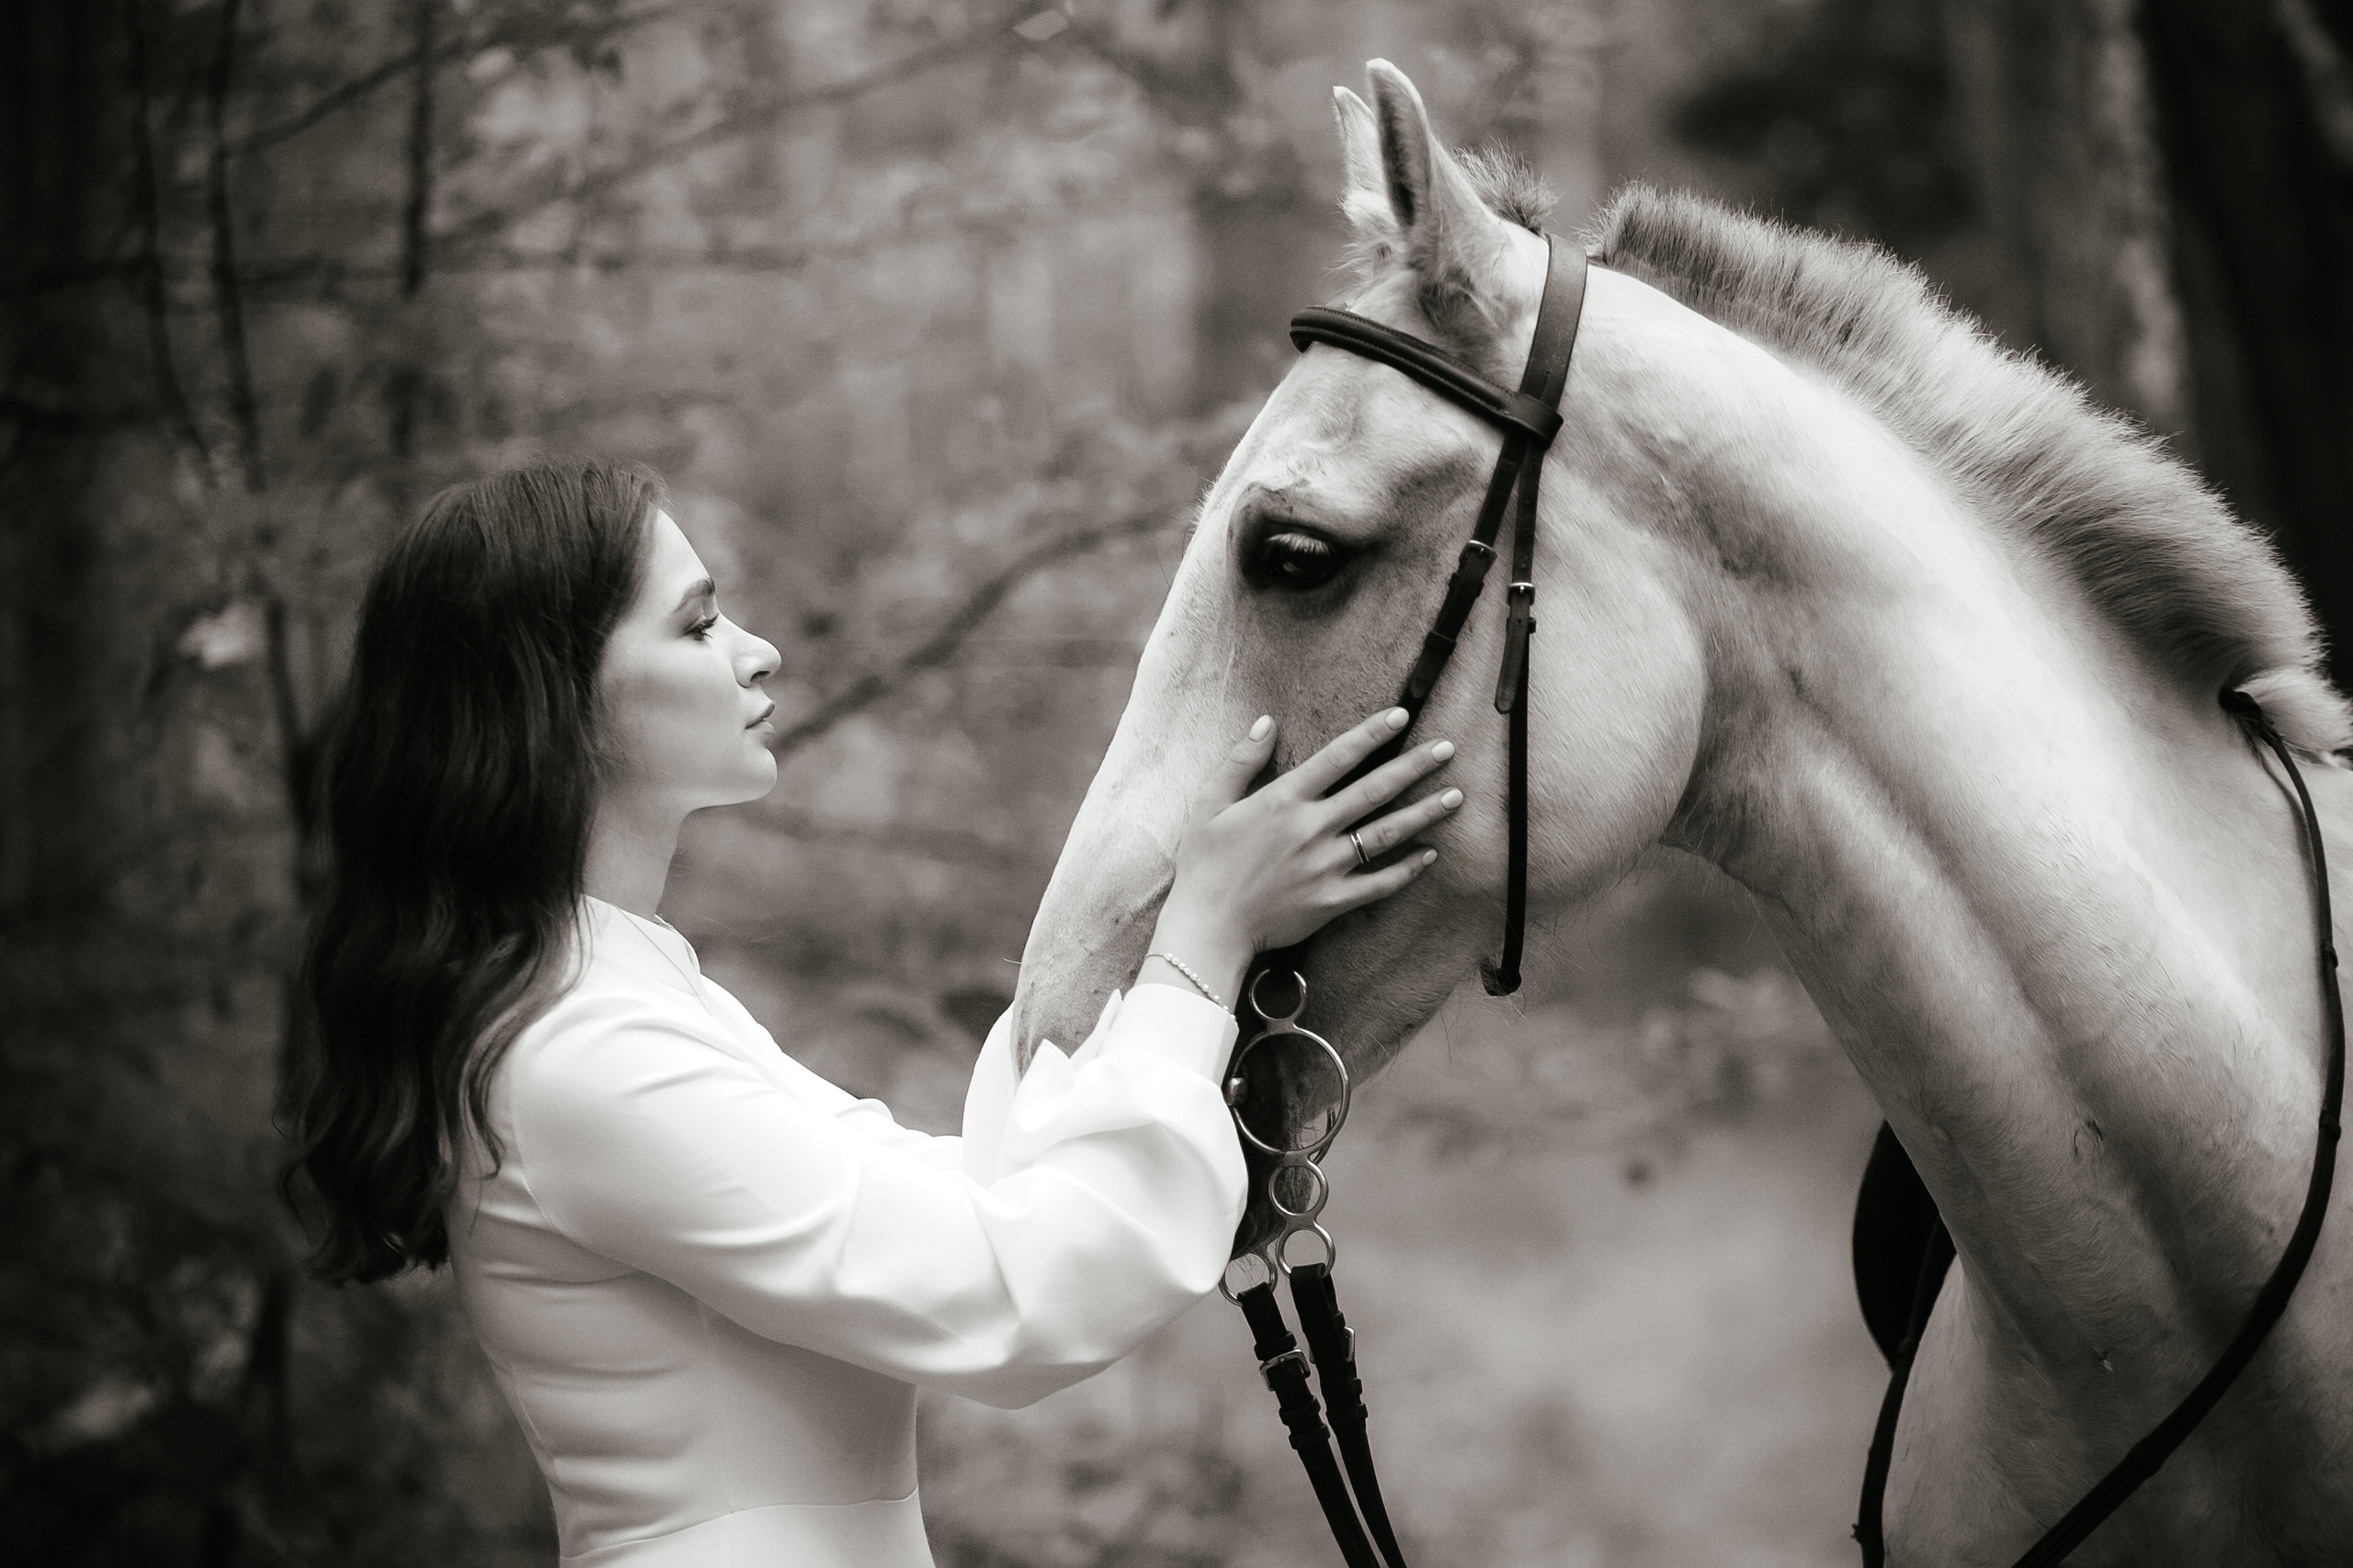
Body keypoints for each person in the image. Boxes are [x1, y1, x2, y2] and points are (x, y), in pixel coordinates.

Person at [281, 458, 1461, 1567]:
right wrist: (1199, 949)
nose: (758, 653)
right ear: (561, 702)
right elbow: (1018, 1296)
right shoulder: (580, 1052)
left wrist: (1136, 923)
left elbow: (969, 1207)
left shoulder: (625, 996)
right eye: (697, 625)